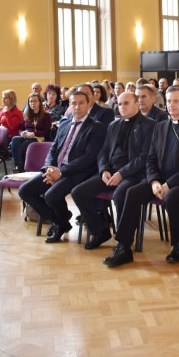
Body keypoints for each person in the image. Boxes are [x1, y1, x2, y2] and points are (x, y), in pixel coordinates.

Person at [101, 86, 179, 267]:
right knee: (132, 193)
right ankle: (124, 247)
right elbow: (150, 159)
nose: (171, 105)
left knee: (172, 197)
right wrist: (154, 181)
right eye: (168, 101)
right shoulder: (160, 127)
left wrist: (168, 184)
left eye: (176, 101)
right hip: (159, 180)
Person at [18, 90, 106, 243]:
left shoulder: (96, 127)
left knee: (51, 196)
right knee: (25, 191)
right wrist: (48, 168)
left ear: (88, 104)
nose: (77, 107)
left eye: (81, 103)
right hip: (56, 169)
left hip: (78, 172)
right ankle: (61, 221)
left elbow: (89, 158)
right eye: (74, 103)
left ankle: (67, 224)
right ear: (69, 105)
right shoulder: (64, 124)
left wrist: (61, 172)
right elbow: (53, 149)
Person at [72, 92, 156, 249]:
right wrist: (104, 170)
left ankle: (124, 243)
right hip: (110, 172)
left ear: (136, 104)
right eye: (120, 103)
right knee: (78, 192)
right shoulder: (113, 125)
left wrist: (122, 173)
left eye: (126, 103)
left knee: (121, 194)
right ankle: (100, 231)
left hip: (133, 174)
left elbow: (145, 157)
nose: (122, 107)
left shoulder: (149, 125)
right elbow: (103, 151)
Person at [10, 92, 53, 172]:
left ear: (40, 102)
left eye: (35, 101)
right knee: (15, 139)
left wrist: (35, 134)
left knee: (23, 146)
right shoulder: (26, 114)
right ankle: (18, 167)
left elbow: (46, 131)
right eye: (31, 101)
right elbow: (20, 129)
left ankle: (21, 168)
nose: (33, 103)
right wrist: (22, 133)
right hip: (27, 136)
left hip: (39, 138)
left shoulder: (46, 116)